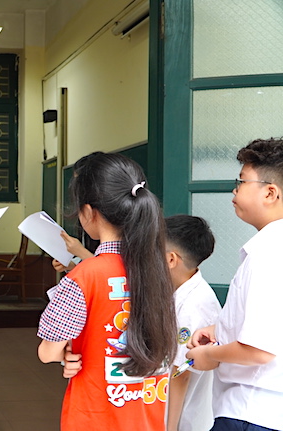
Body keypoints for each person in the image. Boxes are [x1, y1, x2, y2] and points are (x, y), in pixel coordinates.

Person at [37, 152, 177, 431]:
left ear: (89, 213)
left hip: (96, 417)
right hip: (147, 416)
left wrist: (66, 352)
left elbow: (47, 352)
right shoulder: (159, 269)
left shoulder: (85, 275)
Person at [186, 138, 283, 430]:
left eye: (242, 182)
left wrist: (208, 356)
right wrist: (221, 329)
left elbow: (259, 349)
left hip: (252, 410)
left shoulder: (267, 254)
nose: (234, 189)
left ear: (270, 192)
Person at [164, 215, 221, 431]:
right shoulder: (182, 290)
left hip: (188, 420)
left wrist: (167, 428)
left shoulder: (194, 306)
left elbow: (181, 374)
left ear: (171, 259)